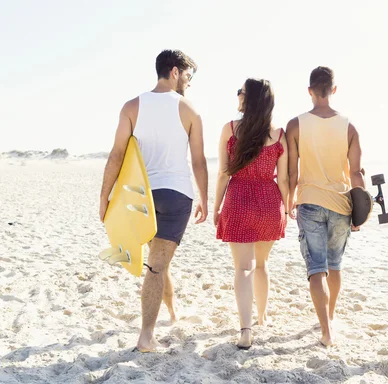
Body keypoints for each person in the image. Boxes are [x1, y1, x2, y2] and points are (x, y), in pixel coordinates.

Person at [99, 49, 209, 352]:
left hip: (141, 195)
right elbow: (198, 161)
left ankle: (172, 313)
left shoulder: (132, 106)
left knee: (158, 262)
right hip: (176, 194)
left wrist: (105, 196)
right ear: (174, 71)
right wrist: (204, 198)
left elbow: (117, 154)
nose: (188, 81)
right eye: (188, 74)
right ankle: (146, 336)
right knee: (158, 265)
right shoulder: (190, 110)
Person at [287, 66, 365, 347]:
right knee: (334, 266)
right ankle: (330, 318)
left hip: (309, 201)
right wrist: (361, 210)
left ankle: (326, 331)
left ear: (310, 91)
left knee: (316, 269)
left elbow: (292, 172)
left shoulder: (295, 125)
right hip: (341, 203)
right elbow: (356, 174)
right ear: (333, 90)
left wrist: (289, 200)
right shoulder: (349, 127)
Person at [214, 78, 288, 350]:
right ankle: (262, 316)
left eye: (240, 92)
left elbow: (223, 173)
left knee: (243, 267)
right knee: (261, 264)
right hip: (269, 203)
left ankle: (245, 330)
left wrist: (216, 207)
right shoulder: (278, 135)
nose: (237, 96)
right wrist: (288, 207)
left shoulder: (231, 129)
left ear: (248, 99)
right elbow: (285, 179)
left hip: (238, 200)